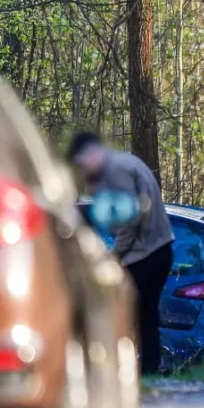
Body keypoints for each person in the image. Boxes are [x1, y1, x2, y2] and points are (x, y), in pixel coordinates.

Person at [67, 133, 174, 375]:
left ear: (92, 152)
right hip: (160, 248)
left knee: (122, 313)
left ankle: (119, 370)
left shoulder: (115, 170)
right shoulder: (128, 162)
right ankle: (148, 369)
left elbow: (129, 219)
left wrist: (114, 256)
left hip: (143, 254)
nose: (84, 172)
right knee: (146, 315)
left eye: (83, 165)